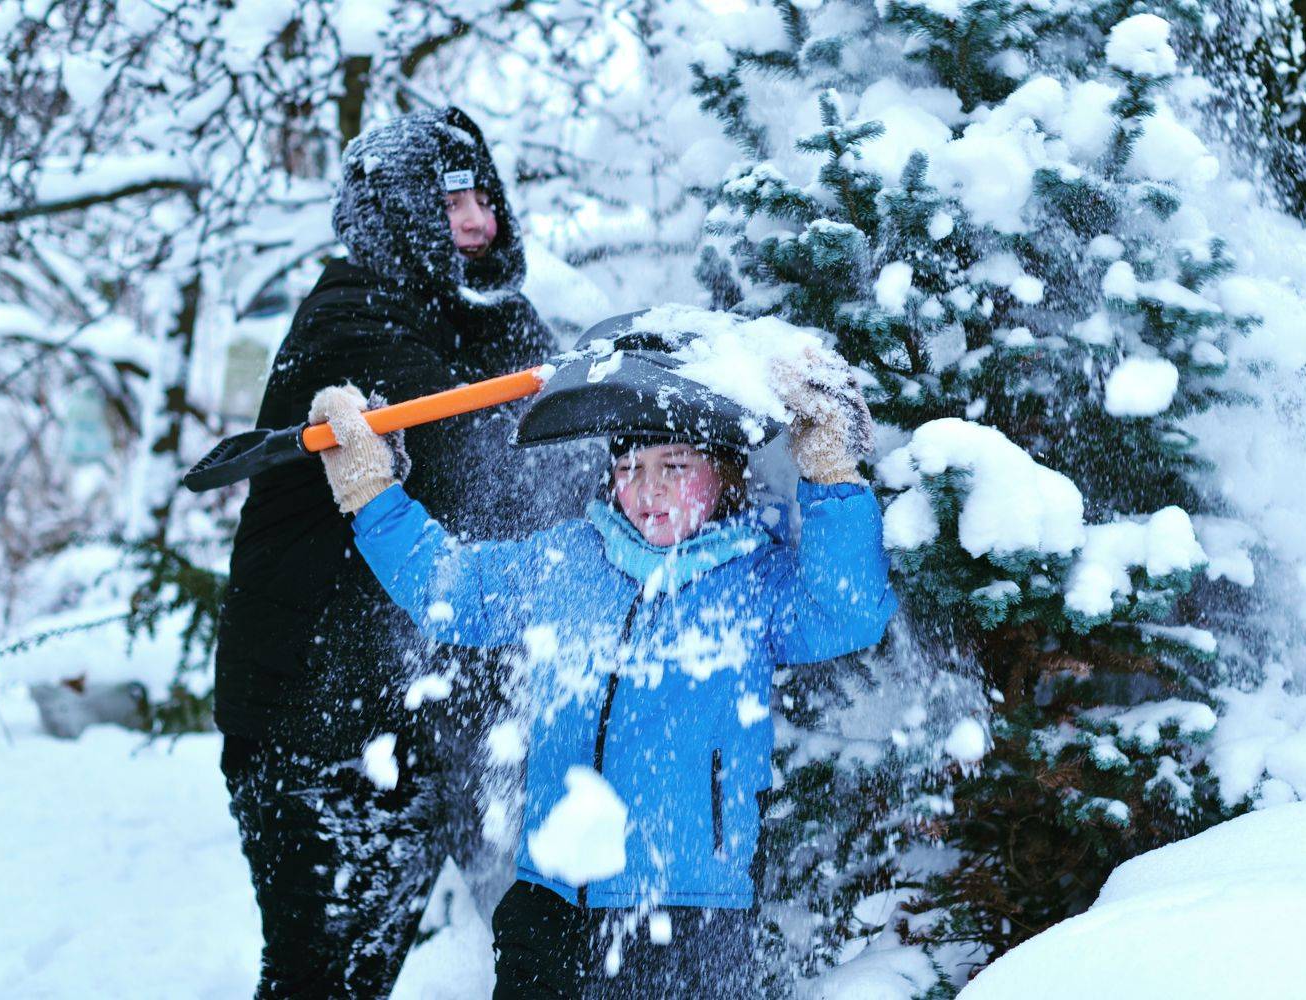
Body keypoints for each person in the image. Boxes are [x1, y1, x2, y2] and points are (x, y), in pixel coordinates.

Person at [306, 337, 897, 997]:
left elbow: (848, 612)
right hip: (552, 897)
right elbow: (452, 594)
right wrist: (371, 491)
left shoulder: (754, 580)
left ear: (726, 472)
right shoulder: (568, 560)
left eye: (675, 464)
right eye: (629, 466)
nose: (648, 488)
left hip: (688, 909)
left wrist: (829, 468)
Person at [213, 107, 574, 998]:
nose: (480, 222)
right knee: (323, 980)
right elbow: (485, 457)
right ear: (397, 215)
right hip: (318, 728)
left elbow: (557, 420)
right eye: (450, 203)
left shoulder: (476, 317)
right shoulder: (348, 322)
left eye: (486, 198)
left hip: (424, 714)